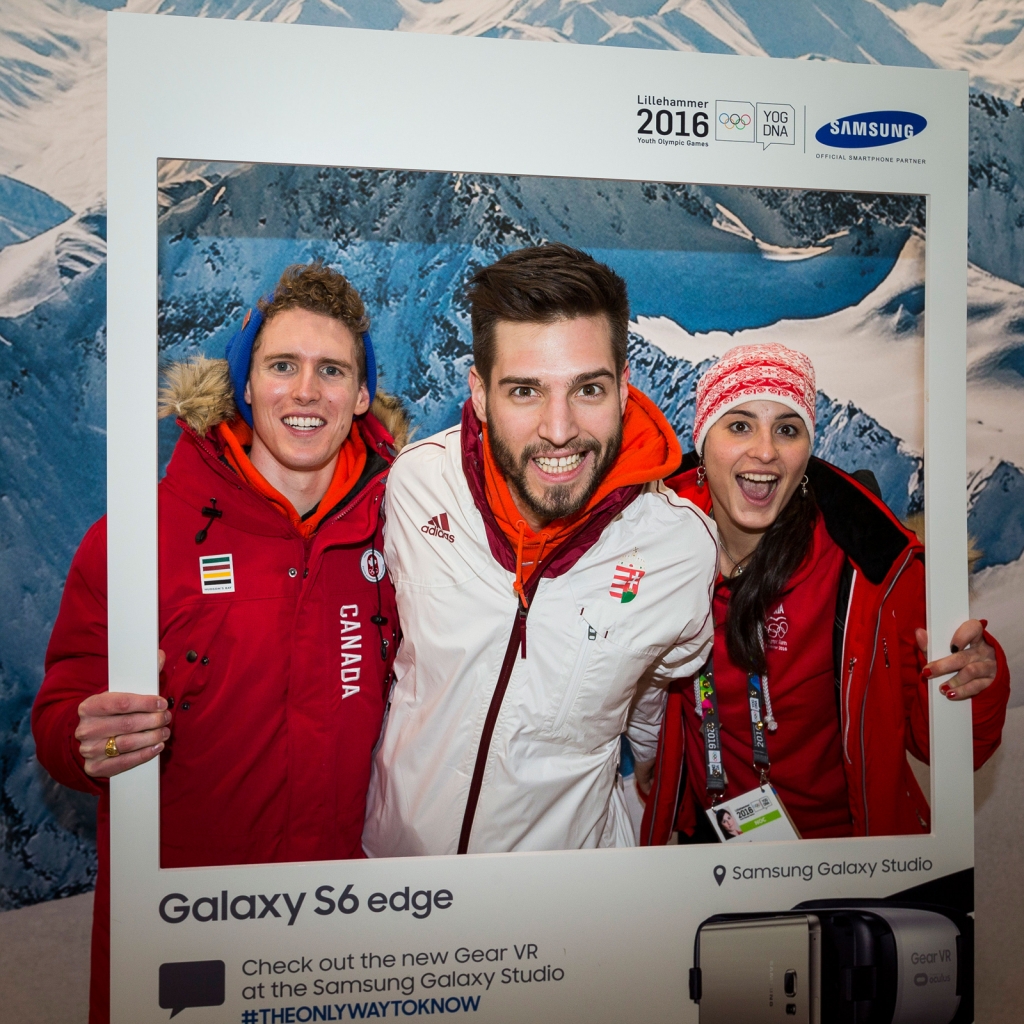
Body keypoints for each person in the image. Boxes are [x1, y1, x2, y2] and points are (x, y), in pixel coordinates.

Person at [32, 262, 407, 1024]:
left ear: (362, 395)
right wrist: (86, 737)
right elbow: (61, 714)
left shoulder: (405, 535)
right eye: (282, 366)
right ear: (244, 385)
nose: (306, 391)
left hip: (349, 928)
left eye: (332, 370)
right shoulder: (142, 537)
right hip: (190, 930)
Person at [362, 243, 718, 857]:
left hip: (565, 907)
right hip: (400, 884)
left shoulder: (677, 548)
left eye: (588, 389)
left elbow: (658, 708)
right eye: (525, 391)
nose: (559, 428)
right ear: (478, 393)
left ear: (625, 388)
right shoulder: (418, 485)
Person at [640, 343, 1011, 844]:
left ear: (807, 452)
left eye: (787, 429)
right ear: (703, 443)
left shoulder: (867, 567)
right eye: (740, 425)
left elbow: (946, 747)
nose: (765, 451)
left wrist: (976, 682)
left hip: (848, 853)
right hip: (707, 850)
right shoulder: (652, 545)